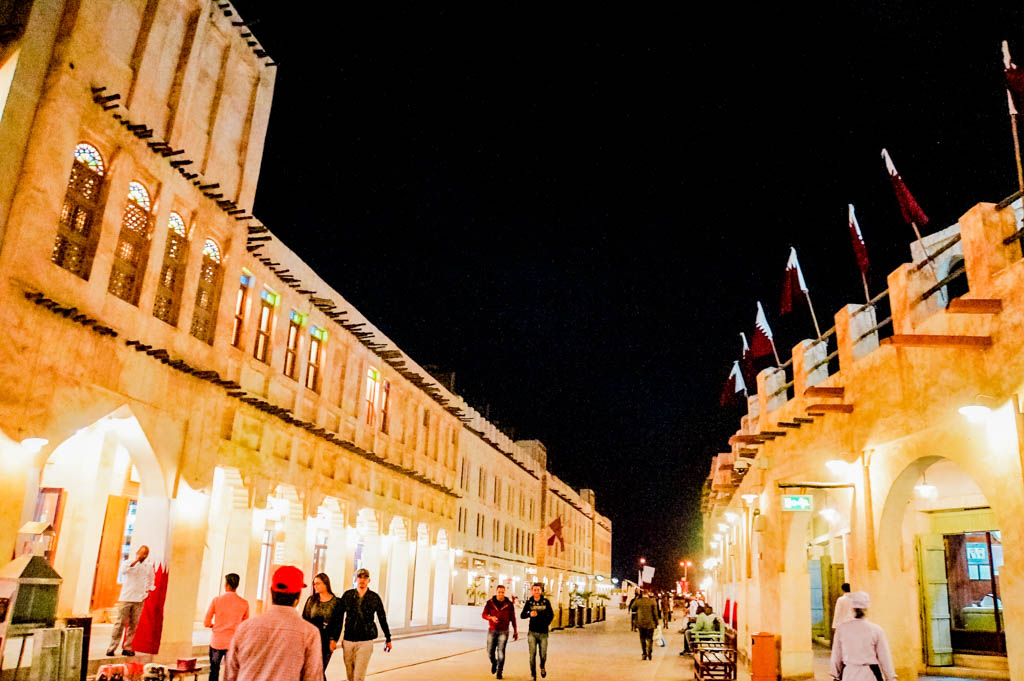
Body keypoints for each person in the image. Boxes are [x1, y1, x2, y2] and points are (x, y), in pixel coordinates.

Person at [223, 565, 322, 681]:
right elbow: (312, 677)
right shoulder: (309, 633)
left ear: (271, 591)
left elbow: (230, 674)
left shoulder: (245, 628)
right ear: (298, 596)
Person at [337, 568, 392, 681]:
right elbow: (338, 617)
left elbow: (382, 618)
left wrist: (388, 638)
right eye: (360, 577)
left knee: (359, 677)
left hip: (365, 641)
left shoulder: (374, 597)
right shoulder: (348, 595)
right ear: (356, 579)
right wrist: (333, 637)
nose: (362, 580)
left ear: (369, 580)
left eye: (365, 577)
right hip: (348, 641)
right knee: (350, 676)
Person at [829, 591, 896, 681]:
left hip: (849, 673)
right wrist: (890, 677)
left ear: (852, 609)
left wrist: (835, 675)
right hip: (870, 674)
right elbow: (884, 657)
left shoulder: (842, 629)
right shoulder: (876, 629)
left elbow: (836, 655)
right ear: (867, 609)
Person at [106, 545, 155, 657]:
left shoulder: (148, 566)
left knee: (133, 625)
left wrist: (147, 591)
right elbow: (123, 571)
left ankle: (128, 647)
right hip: (126, 598)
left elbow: (151, 580)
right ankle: (112, 647)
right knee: (120, 624)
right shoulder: (128, 563)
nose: (144, 555)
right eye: (142, 553)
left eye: (146, 553)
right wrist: (136, 561)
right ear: (137, 553)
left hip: (139, 599)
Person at [204, 573, 250, 681]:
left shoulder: (216, 600)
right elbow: (245, 625)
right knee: (231, 672)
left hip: (217, 642)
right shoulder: (244, 603)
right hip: (233, 643)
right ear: (237, 585)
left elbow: (206, 622)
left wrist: (214, 625)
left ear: (226, 584)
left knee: (214, 670)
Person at [302, 573, 342, 680]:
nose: (315, 586)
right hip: (311, 640)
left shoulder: (336, 602)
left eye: (318, 584)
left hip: (326, 641)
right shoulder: (311, 600)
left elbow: (338, 623)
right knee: (311, 671)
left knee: (319, 669)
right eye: (314, 584)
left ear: (326, 584)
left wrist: (334, 640)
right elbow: (305, 618)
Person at [481, 585, 518, 679]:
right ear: (496, 592)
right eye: (499, 592)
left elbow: (513, 618)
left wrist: (515, 631)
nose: (501, 594)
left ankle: (499, 671)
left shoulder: (509, 604)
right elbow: (484, 615)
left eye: (502, 592)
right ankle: (494, 662)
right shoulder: (490, 603)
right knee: (489, 651)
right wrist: (491, 618)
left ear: (504, 592)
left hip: (504, 631)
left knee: (501, 651)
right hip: (492, 630)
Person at [520, 583, 554, 680]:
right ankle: (533, 674)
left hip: (543, 632)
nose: (536, 592)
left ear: (541, 591)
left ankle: (542, 666)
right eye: (534, 590)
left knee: (543, 654)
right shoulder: (529, 602)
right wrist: (529, 614)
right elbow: (522, 615)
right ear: (531, 591)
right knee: (532, 654)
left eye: (538, 590)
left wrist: (546, 623)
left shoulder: (546, 602)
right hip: (532, 632)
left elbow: (551, 615)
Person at [631, 589, 661, 661]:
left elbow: (632, 607)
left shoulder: (638, 601)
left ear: (642, 594)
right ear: (648, 594)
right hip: (650, 624)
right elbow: (655, 614)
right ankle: (649, 653)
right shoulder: (652, 602)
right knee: (650, 639)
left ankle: (644, 654)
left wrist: (637, 598)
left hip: (640, 624)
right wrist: (657, 623)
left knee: (642, 639)